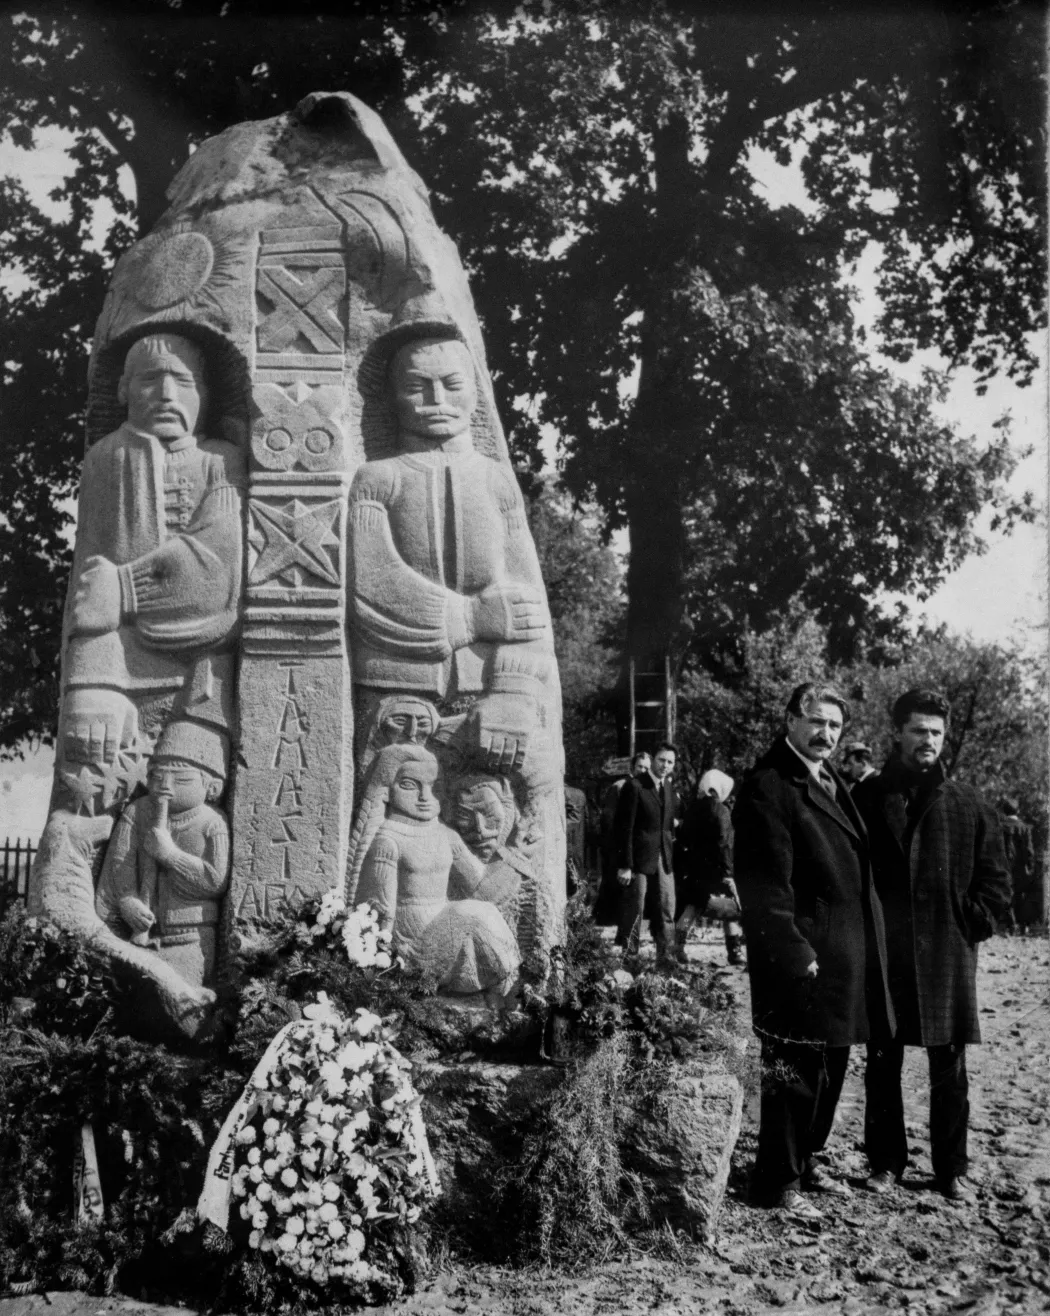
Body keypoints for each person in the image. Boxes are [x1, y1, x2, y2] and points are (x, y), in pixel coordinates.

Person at [735, 682, 893, 1221]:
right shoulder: (769, 785)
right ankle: (777, 1181)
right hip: (802, 954)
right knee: (792, 1067)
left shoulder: (828, 778)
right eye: (817, 721)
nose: (826, 733)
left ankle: (807, 1160)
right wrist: (792, 948)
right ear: (790, 719)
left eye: (835, 725)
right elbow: (763, 884)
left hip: (843, 951)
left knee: (831, 1062)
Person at [61, 333, 244, 777]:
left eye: (182, 382)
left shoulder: (222, 462)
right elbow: (87, 589)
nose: (166, 395)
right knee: (90, 785)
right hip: (118, 662)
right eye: (150, 380)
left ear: (205, 393)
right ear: (124, 389)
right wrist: (91, 680)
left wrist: (125, 589)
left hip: (207, 667)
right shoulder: (105, 458)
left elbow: (218, 569)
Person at [854, 689, 1011, 1204]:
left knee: (950, 1066)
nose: (929, 741)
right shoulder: (869, 797)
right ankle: (885, 1163)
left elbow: (996, 882)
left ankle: (951, 1169)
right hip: (886, 949)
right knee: (882, 1061)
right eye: (919, 730)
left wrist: (973, 923)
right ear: (897, 733)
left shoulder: (968, 803)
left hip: (948, 950)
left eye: (937, 733)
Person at [95, 720, 231, 990]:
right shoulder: (138, 812)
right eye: (157, 777)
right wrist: (127, 901)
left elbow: (215, 880)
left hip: (191, 937)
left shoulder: (212, 822)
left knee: (168, 987)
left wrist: (170, 855)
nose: (165, 786)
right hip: (141, 933)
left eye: (181, 779)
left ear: (211, 787)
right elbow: (119, 863)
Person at [612, 742, 679, 960]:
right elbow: (624, 828)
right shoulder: (635, 786)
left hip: (663, 856)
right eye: (661, 760)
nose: (665, 765)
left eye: (670, 762)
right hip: (638, 858)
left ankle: (666, 956)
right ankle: (630, 955)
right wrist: (625, 865)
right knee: (635, 907)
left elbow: (667, 826)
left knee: (667, 906)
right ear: (653, 760)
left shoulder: (668, 787)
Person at [675, 769, 744, 965]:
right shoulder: (721, 810)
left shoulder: (692, 809)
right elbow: (724, 843)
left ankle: (677, 947)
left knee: (692, 907)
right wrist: (728, 872)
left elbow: (684, 837)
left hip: (696, 867)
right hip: (717, 868)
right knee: (732, 911)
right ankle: (735, 951)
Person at [999, 798, 1036, 931]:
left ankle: (1011, 923)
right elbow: (1029, 850)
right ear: (1018, 810)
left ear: (1004, 811)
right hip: (1020, 867)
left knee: (1007, 893)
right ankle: (1022, 924)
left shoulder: (1000, 826)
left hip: (1004, 865)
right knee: (1020, 895)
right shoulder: (1024, 828)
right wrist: (1030, 866)